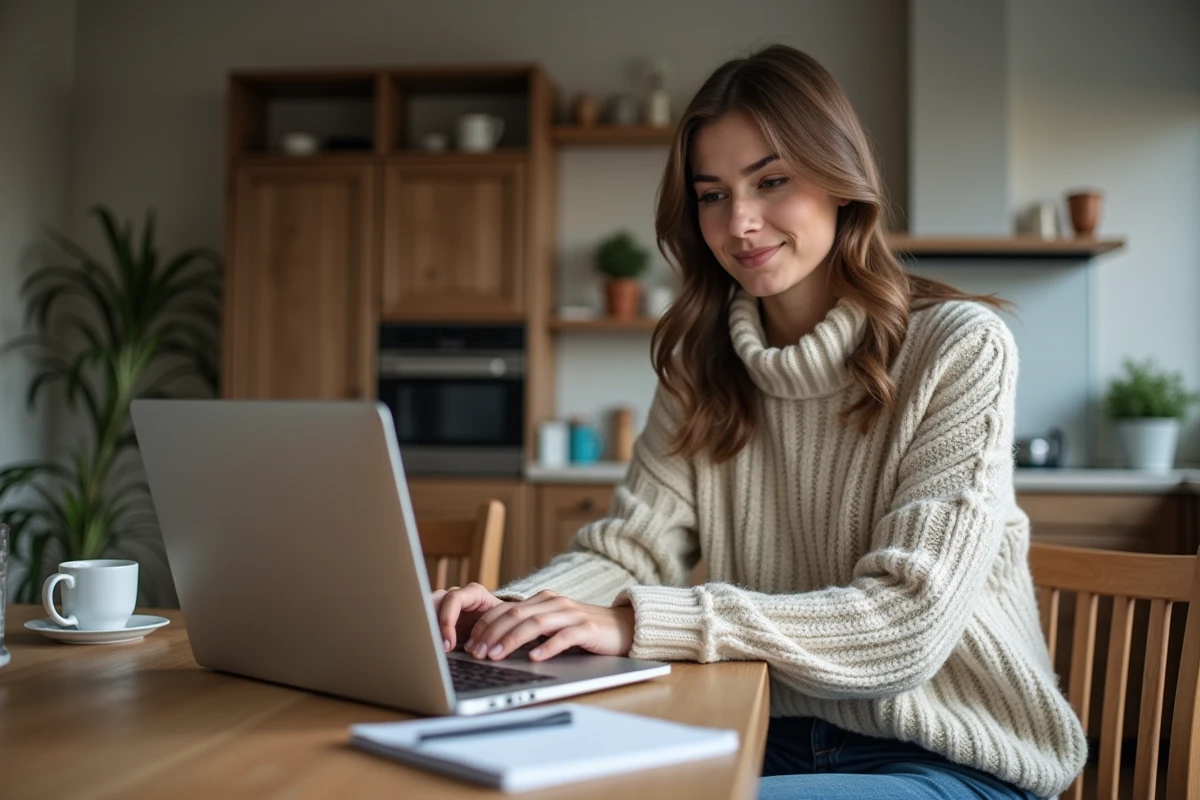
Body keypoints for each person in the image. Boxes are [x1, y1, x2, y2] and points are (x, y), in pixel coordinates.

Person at [431, 44, 1086, 799]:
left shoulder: (959, 346)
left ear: (842, 183)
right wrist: (511, 614)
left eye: (772, 181)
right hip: (761, 732)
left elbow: (907, 623)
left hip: (947, 756)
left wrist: (635, 623)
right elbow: (631, 551)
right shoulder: (701, 367)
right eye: (711, 194)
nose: (739, 221)